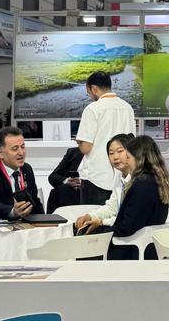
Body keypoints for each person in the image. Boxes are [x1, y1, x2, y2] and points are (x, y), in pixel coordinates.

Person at [100, 135, 169, 260]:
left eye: (128, 157)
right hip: (150, 248)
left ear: (139, 158)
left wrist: (104, 233)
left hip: (132, 250)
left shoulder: (142, 184)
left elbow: (127, 226)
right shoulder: (156, 180)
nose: (127, 161)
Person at [75, 70, 137, 207]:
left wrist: (79, 142)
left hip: (97, 177)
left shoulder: (93, 109)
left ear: (94, 89)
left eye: (88, 92)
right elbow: (132, 142)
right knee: (119, 216)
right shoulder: (127, 107)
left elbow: (86, 148)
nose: (89, 96)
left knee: (93, 218)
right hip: (122, 174)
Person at [74, 133, 136, 234]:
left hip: (134, 233)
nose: (115, 157)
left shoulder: (139, 180)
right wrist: (90, 216)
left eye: (120, 151)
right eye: (111, 153)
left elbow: (130, 218)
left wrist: (102, 222)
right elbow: (111, 208)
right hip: (120, 228)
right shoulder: (119, 177)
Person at [46, 144, 86, 214]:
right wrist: (66, 180)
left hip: (89, 195)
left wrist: (83, 183)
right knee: (58, 192)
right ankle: (52, 220)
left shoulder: (102, 155)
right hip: (68, 195)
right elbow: (52, 177)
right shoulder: (73, 152)